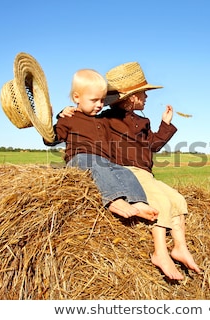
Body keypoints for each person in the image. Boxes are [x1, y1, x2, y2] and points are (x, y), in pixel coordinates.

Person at [64, 62, 201, 280]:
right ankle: (160, 253)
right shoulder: (106, 119)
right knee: (161, 204)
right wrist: (65, 113)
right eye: (144, 93)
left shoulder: (143, 121)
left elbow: (153, 145)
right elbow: (84, 121)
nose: (147, 97)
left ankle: (180, 247)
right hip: (128, 171)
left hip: (146, 173)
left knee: (178, 201)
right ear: (131, 98)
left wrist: (165, 125)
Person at [45, 69, 158, 222]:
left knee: (124, 172)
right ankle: (113, 200)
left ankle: (138, 201)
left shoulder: (101, 120)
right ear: (76, 97)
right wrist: (56, 116)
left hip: (103, 160)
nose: (99, 105)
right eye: (94, 100)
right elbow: (51, 139)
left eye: (102, 100)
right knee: (95, 164)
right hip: (80, 160)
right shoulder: (69, 119)